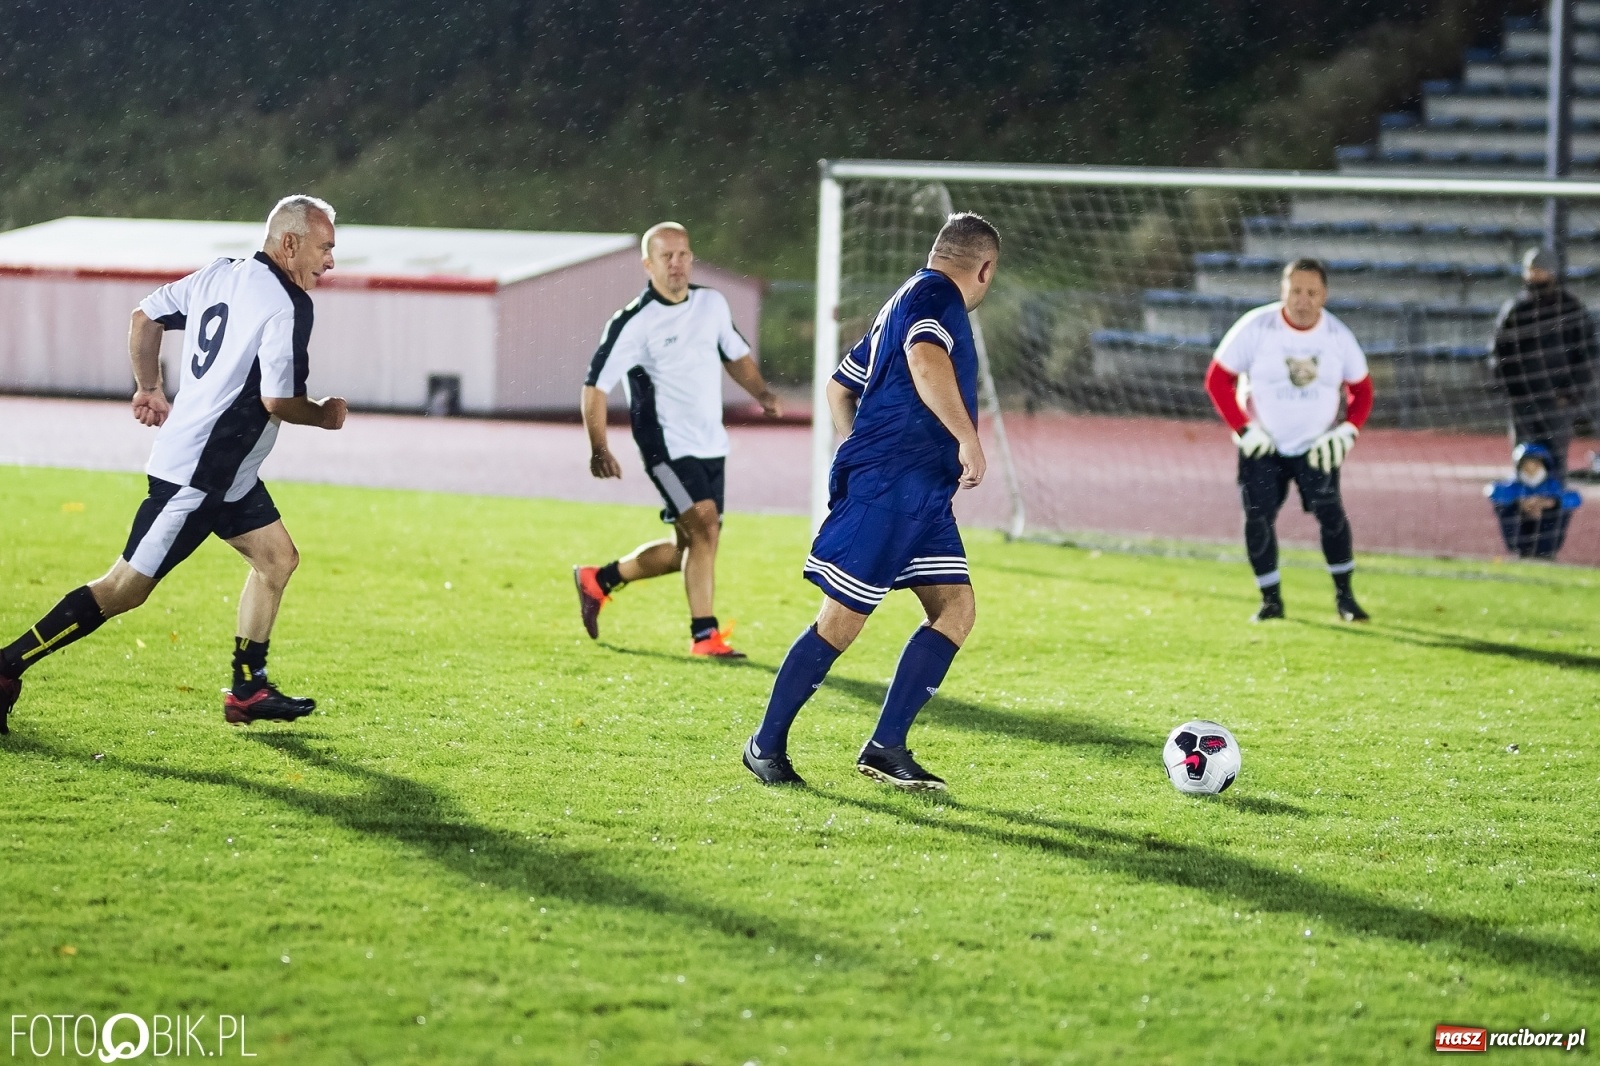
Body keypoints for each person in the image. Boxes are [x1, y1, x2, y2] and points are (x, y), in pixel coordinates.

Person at [0, 195, 348, 735]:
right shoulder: (289, 304)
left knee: (277, 560)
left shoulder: (219, 274)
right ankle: (6, 666)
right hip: (199, 475)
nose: (329, 262)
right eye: (325, 248)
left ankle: (248, 689)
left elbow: (145, 315)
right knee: (124, 589)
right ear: (289, 243)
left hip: (228, 476)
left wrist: (148, 387)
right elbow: (279, 401)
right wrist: (324, 415)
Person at [742, 212, 999, 792]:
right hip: (893, 489)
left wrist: (857, 442)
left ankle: (886, 747)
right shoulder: (938, 297)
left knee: (956, 609)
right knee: (842, 620)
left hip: (920, 493)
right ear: (984, 268)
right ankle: (764, 745)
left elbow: (839, 385)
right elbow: (925, 359)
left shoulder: (904, 296)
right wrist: (965, 437)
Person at [573, 222, 781, 658]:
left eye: (683, 254)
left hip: (711, 444)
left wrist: (760, 392)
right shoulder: (633, 322)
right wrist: (599, 447)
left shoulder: (712, 304)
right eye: (666, 257)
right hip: (663, 447)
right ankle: (704, 635)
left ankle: (600, 579)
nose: (676, 264)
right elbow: (594, 387)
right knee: (704, 529)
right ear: (647, 264)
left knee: (692, 547)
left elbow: (736, 355)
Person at [1203, 257, 1375, 623]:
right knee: (1257, 517)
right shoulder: (1255, 327)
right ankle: (1271, 601)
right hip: (1262, 446)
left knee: (1332, 517)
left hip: (1316, 447)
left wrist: (1348, 430)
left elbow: (1361, 389)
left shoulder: (1337, 336)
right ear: (1283, 291)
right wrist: (1244, 428)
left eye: (1311, 292)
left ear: (1324, 295)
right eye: (1295, 290)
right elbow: (1217, 379)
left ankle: (1346, 598)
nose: (1302, 299)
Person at [1489, 246, 1597, 481]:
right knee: (1523, 460)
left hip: (1558, 401)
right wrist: (1511, 392)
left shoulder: (1571, 310)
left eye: (1539, 269)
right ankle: (1525, 513)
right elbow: (1499, 354)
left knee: (1555, 460)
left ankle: (1554, 514)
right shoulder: (1515, 310)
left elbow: (1587, 356)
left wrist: (1570, 394)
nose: (1534, 275)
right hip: (1523, 399)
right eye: (1530, 269)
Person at [1487, 442, 1583, 558]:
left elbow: (1575, 498)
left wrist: (1549, 503)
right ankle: (1521, 549)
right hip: (1521, 526)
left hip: (1546, 527)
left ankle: (1545, 551)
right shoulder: (1514, 484)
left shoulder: (1552, 485)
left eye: (1535, 464)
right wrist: (1520, 504)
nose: (1531, 469)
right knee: (1503, 507)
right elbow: (1492, 491)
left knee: (1561, 510)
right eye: (1526, 465)